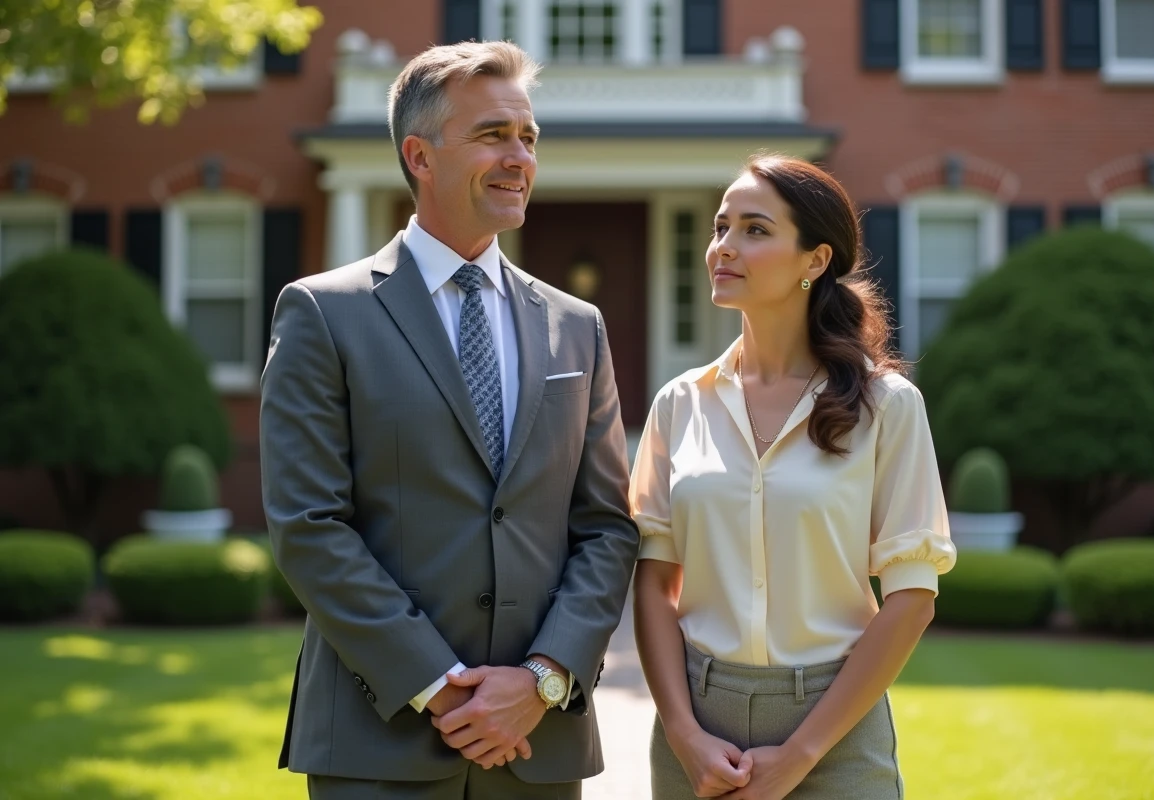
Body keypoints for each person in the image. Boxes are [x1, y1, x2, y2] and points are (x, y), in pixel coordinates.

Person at [260, 40, 639, 800]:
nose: (519, 157)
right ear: (420, 156)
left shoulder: (578, 326)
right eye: (493, 135)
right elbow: (309, 524)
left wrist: (541, 680)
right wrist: (440, 686)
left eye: (528, 138)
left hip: (538, 745)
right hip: (380, 739)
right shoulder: (323, 314)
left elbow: (606, 526)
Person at [631, 155, 957, 800]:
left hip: (834, 729)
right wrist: (682, 733)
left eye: (755, 229)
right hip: (698, 732)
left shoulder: (886, 407)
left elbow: (912, 597)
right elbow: (653, 584)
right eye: (721, 227)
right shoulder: (678, 403)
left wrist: (803, 752)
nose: (724, 246)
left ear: (815, 260)